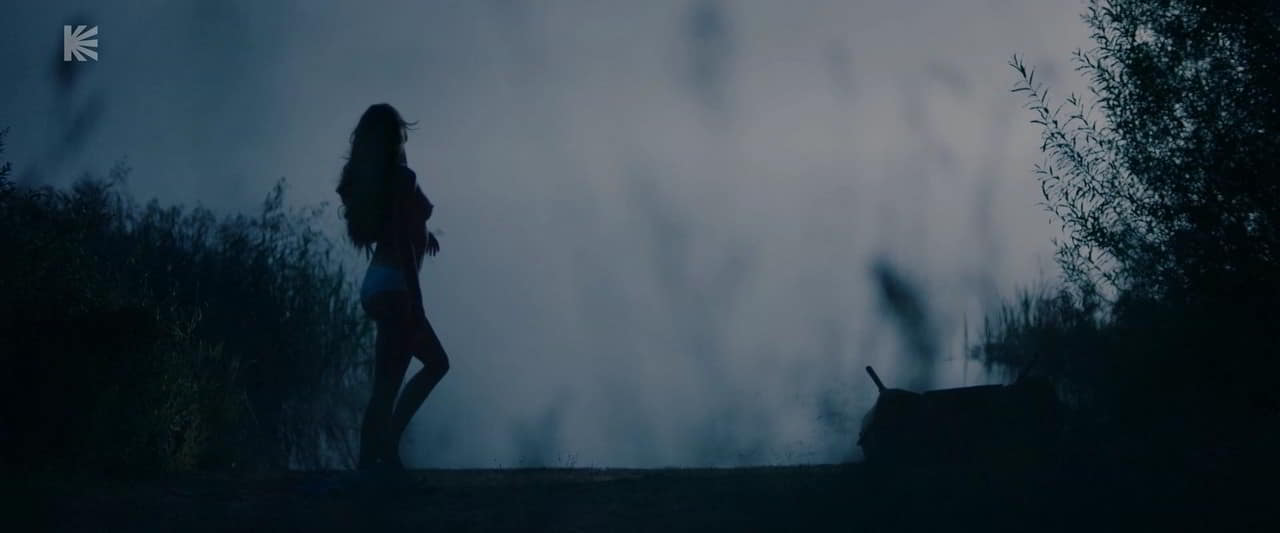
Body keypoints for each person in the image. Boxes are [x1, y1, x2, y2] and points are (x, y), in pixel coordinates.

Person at [335, 103, 449, 471]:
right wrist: (416, 300)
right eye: (400, 130)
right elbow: (400, 238)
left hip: (379, 284)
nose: (404, 136)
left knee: (395, 379)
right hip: (396, 285)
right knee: (423, 369)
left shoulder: (384, 181)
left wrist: (425, 234)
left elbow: (402, 224)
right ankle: (381, 453)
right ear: (392, 135)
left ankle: (378, 456)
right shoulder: (401, 178)